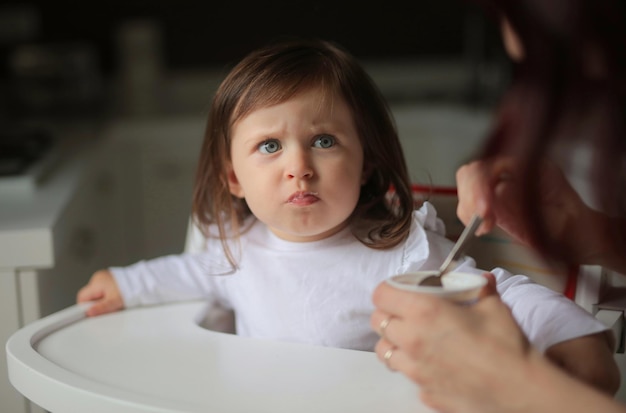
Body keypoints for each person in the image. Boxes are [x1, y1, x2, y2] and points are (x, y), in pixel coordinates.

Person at [77, 38, 613, 384]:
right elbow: (182, 272)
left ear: (365, 165)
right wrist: (125, 284)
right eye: (269, 146)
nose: (299, 168)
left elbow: (496, 293)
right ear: (233, 177)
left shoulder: (400, 254)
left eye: (325, 141)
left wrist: (569, 333)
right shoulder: (234, 250)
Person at [371, 0, 626, 411]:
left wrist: (526, 386)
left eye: (564, 63)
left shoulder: (407, 245)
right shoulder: (231, 250)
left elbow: (510, 293)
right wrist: (591, 234)